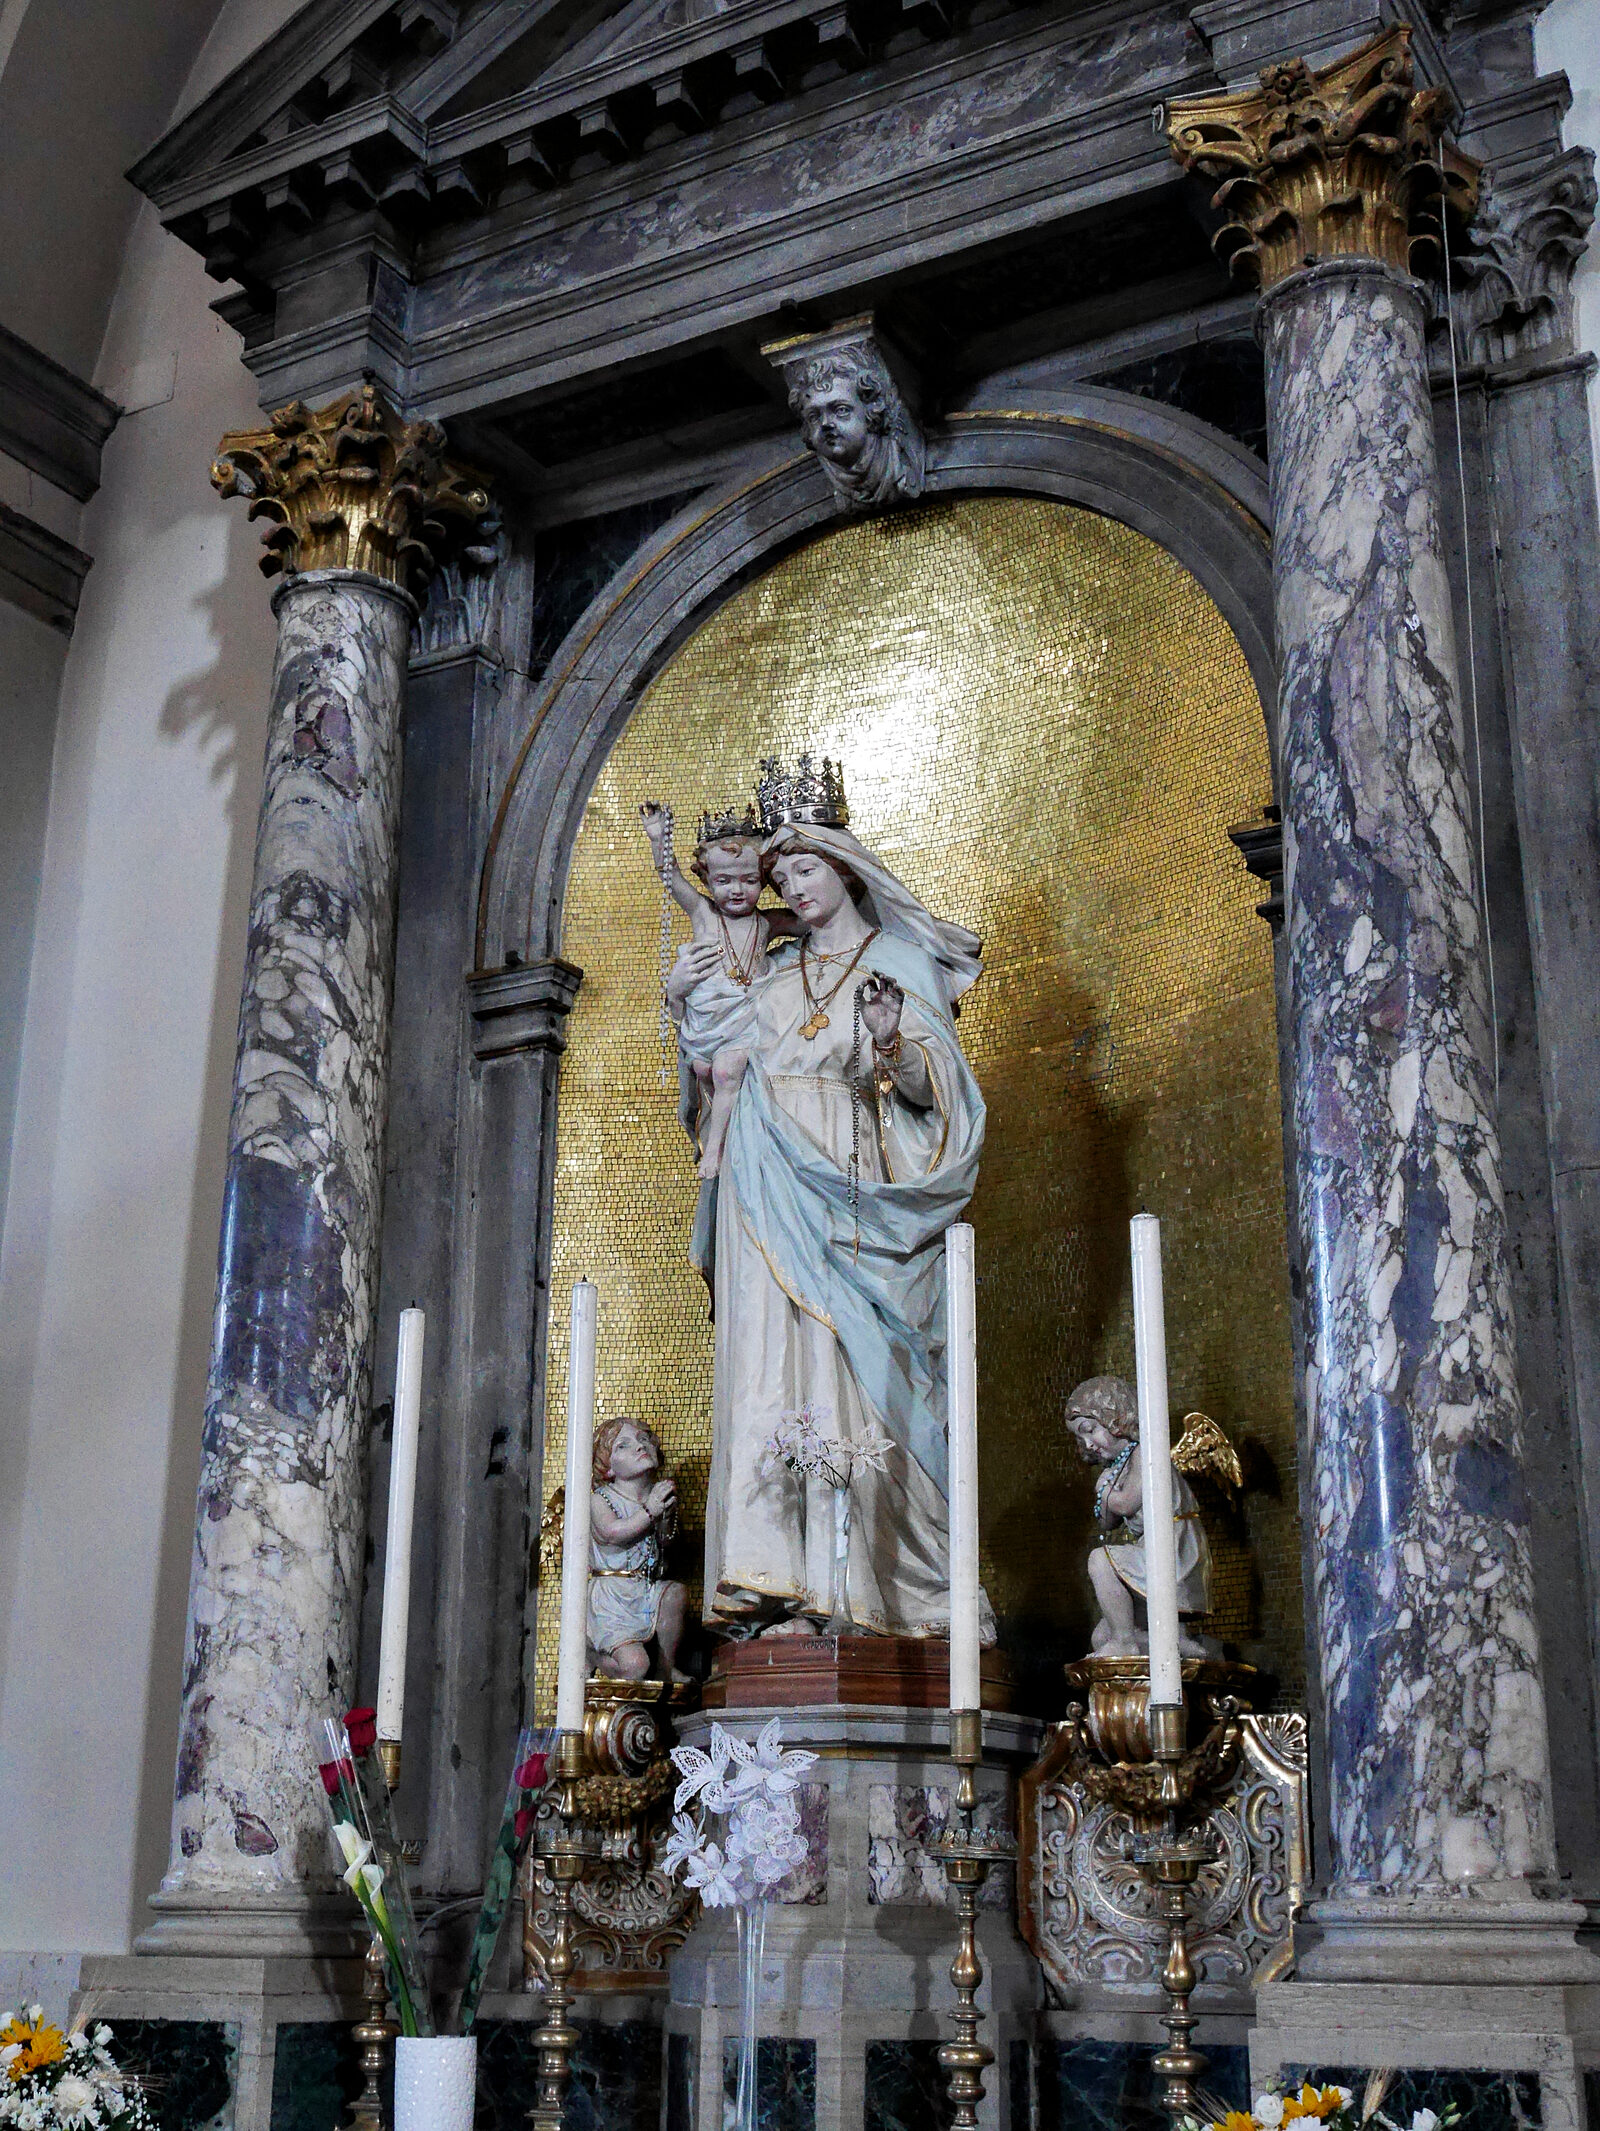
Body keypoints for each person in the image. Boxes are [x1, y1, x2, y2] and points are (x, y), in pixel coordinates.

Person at [668, 754, 990, 1641]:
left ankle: (866, 1585)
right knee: (769, 1368)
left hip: (856, 1196)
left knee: (857, 1370)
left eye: (803, 867)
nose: (791, 886)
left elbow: (942, 1097)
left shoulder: (896, 960)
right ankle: (773, 1579)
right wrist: (683, 1013)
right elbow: (710, 1081)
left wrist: (892, 1045)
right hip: (764, 1195)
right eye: (778, 875)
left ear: (844, 863)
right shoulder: (771, 976)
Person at [640, 800, 795, 1180]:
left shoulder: (767, 923)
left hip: (745, 1018)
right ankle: (722, 1132)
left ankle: (715, 1151)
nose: (737, 890)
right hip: (708, 1019)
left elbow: (814, 922)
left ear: (764, 879)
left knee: (727, 1072)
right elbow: (669, 875)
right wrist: (659, 835)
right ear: (708, 881)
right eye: (724, 881)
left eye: (749, 880)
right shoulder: (703, 913)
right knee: (708, 1071)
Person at [1063, 1375, 1211, 1657]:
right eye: (1081, 1438)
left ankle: (1127, 1642)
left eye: (1090, 1430)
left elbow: (1126, 1504)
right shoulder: (1121, 1464)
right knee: (1100, 1637)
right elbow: (1108, 1522)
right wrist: (1106, 1491)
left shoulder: (1145, 1452)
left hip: (1173, 1546)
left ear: (1115, 1417)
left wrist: (1106, 1493)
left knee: (1100, 1559)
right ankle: (1176, 1643)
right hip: (1153, 1549)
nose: (1088, 1443)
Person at [588, 1415, 689, 1683]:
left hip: (645, 1591)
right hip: (613, 1600)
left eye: (644, 1439)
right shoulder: (600, 1499)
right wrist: (650, 1511)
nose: (639, 1446)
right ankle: (592, 1657)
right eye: (623, 1445)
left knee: (676, 1593)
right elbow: (612, 1534)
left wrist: (666, 1516)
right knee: (635, 1667)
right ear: (606, 1467)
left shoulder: (656, 1496)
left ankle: (666, 1666)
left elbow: (667, 1545)